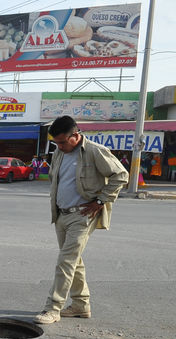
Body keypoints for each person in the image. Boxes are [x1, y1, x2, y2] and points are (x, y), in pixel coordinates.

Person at [35, 115, 129, 324]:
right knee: (73, 261)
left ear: (75, 135)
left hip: (83, 215)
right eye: (56, 143)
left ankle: (53, 308)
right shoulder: (59, 153)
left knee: (65, 261)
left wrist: (100, 200)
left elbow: (121, 175)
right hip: (61, 214)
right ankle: (81, 305)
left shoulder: (94, 151)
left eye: (62, 142)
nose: (59, 146)